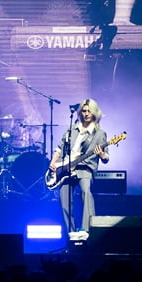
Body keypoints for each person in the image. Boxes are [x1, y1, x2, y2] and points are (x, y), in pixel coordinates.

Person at [49, 99, 110, 242]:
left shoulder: (99, 133)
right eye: (84, 111)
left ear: (94, 113)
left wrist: (101, 154)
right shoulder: (72, 130)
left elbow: (106, 158)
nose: (86, 114)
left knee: (86, 191)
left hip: (85, 168)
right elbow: (59, 148)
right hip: (66, 168)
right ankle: (70, 232)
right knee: (63, 197)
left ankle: (87, 229)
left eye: (89, 111)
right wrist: (53, 162)